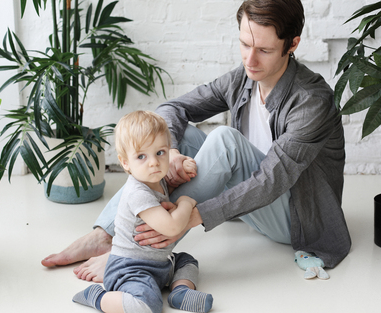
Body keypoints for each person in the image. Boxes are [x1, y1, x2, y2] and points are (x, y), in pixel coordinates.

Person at [42, 0, 351, 282]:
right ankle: (105, 234)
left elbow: (272, 179)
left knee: (224, 141)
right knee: (172, 139)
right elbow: (174, 108)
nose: (250, 59)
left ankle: (131, 255)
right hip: (252, 206)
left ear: (292, 44)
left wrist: (193, 216)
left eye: (265, 51)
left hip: (297, 216)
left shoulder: (311, 101)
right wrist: (173, 153)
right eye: (244, 44)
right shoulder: (243, 78)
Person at [72, 110, 213, 313]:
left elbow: (169, 186)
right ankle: (99, 298)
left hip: (160, 263)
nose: (154, 162)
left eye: (160, 152)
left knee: (187, 261)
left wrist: (184, 163)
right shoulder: (137, 192)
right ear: (125, 162)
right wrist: (186, 203)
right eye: (141, 156)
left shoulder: (156, 178)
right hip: (130, 269)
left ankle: (180, 292)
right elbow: (172, 227)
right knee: (148, 305)